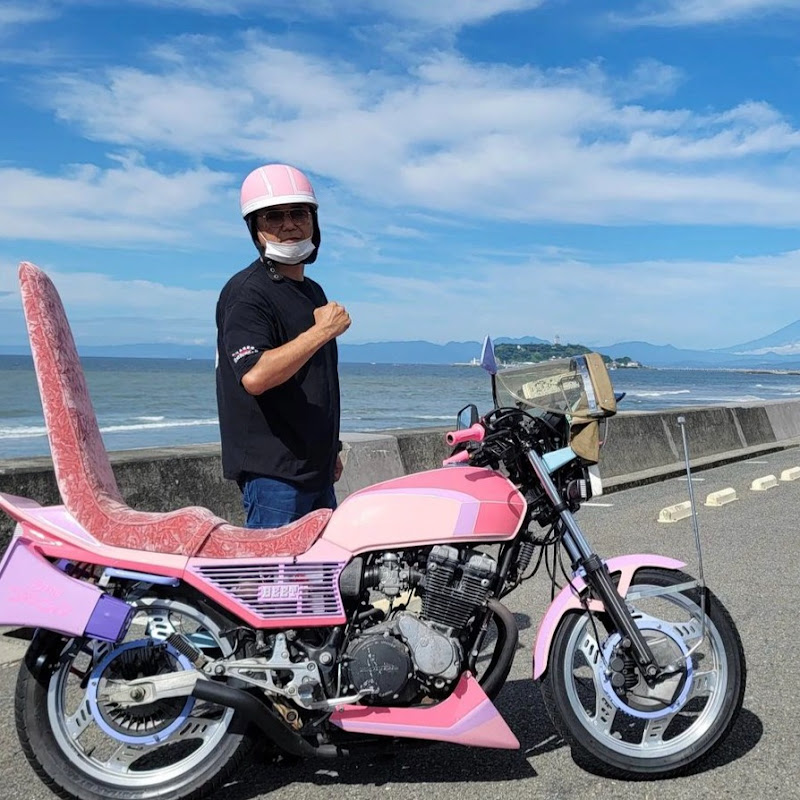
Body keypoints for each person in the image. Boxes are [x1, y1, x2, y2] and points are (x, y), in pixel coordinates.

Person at [215, 164, 351, 528]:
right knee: (275, 567)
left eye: (298, 214)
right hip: (274, 476)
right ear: (255, 228)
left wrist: (331, 449)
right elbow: (255, 376)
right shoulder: (247, 293)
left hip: (316, 469)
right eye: (274, 216)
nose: (289, 225)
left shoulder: (312, 291)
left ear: (313, 221)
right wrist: (321, 332)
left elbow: (316, 383)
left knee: (324, 564)